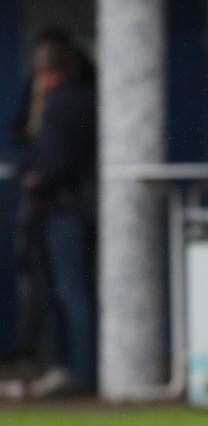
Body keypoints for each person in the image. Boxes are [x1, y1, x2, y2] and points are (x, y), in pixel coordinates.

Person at [15, 39, 97, 394]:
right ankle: (68, 368)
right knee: (62, 293)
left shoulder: (64, 103)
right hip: (63, 209)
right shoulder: (70, 99)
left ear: (48, 72)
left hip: (64, 209)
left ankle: (80, 372)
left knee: (71, 292)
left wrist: (36, 179)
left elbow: (58, 161)